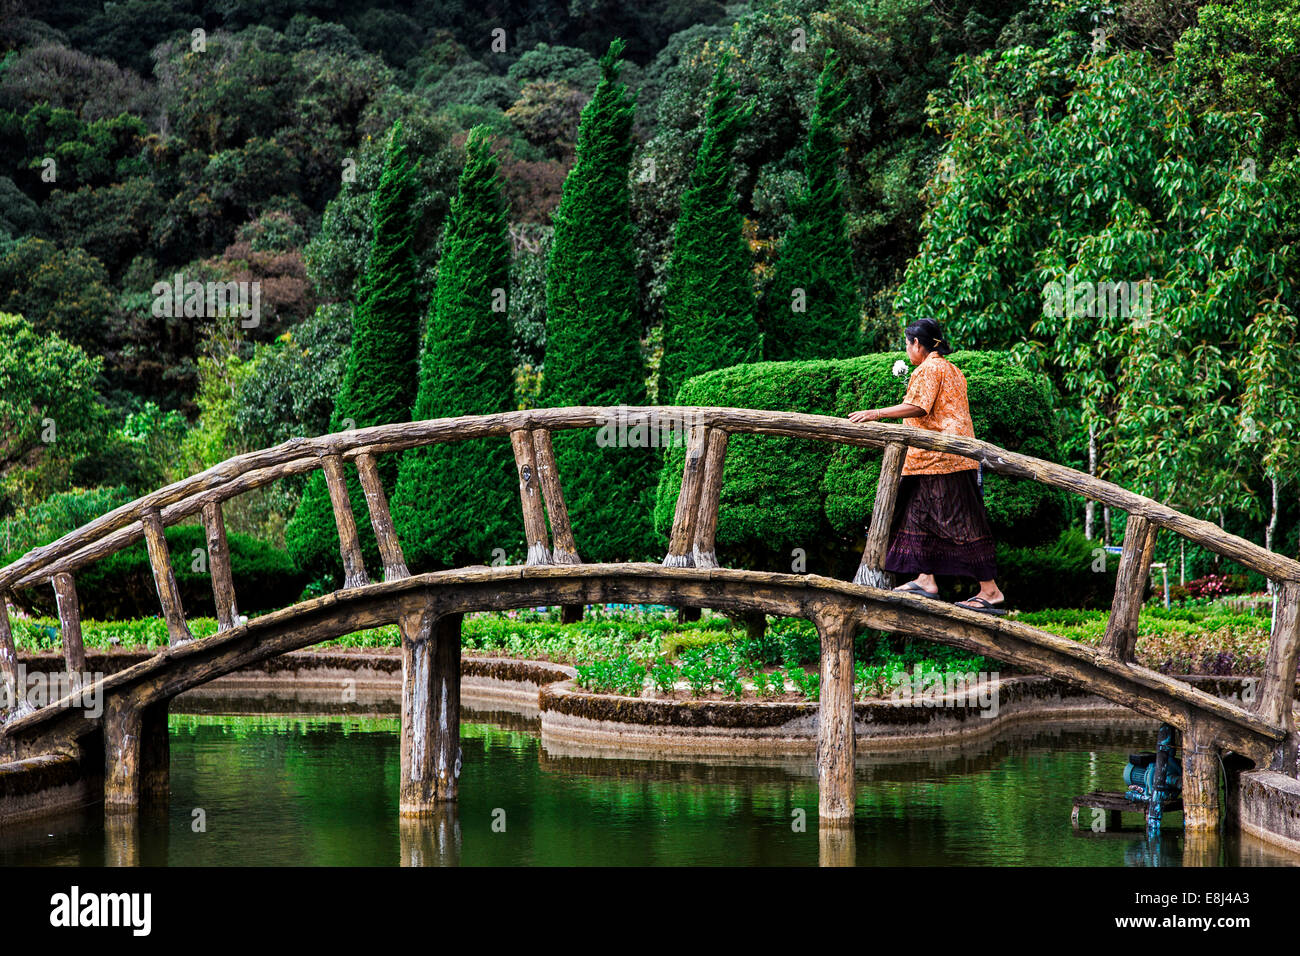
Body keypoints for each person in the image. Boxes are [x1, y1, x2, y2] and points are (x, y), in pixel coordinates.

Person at [847, 318, 1006, 614]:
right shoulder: (952, 369)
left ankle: (990, 591)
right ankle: (925, 579)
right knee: (917, 517)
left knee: (961, 523)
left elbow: (919, 406)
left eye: (908, 344)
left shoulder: (931, 368)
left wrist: (875, 413)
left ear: (917, 344)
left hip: (944, 460)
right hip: (930, 461)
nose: (907, 350)